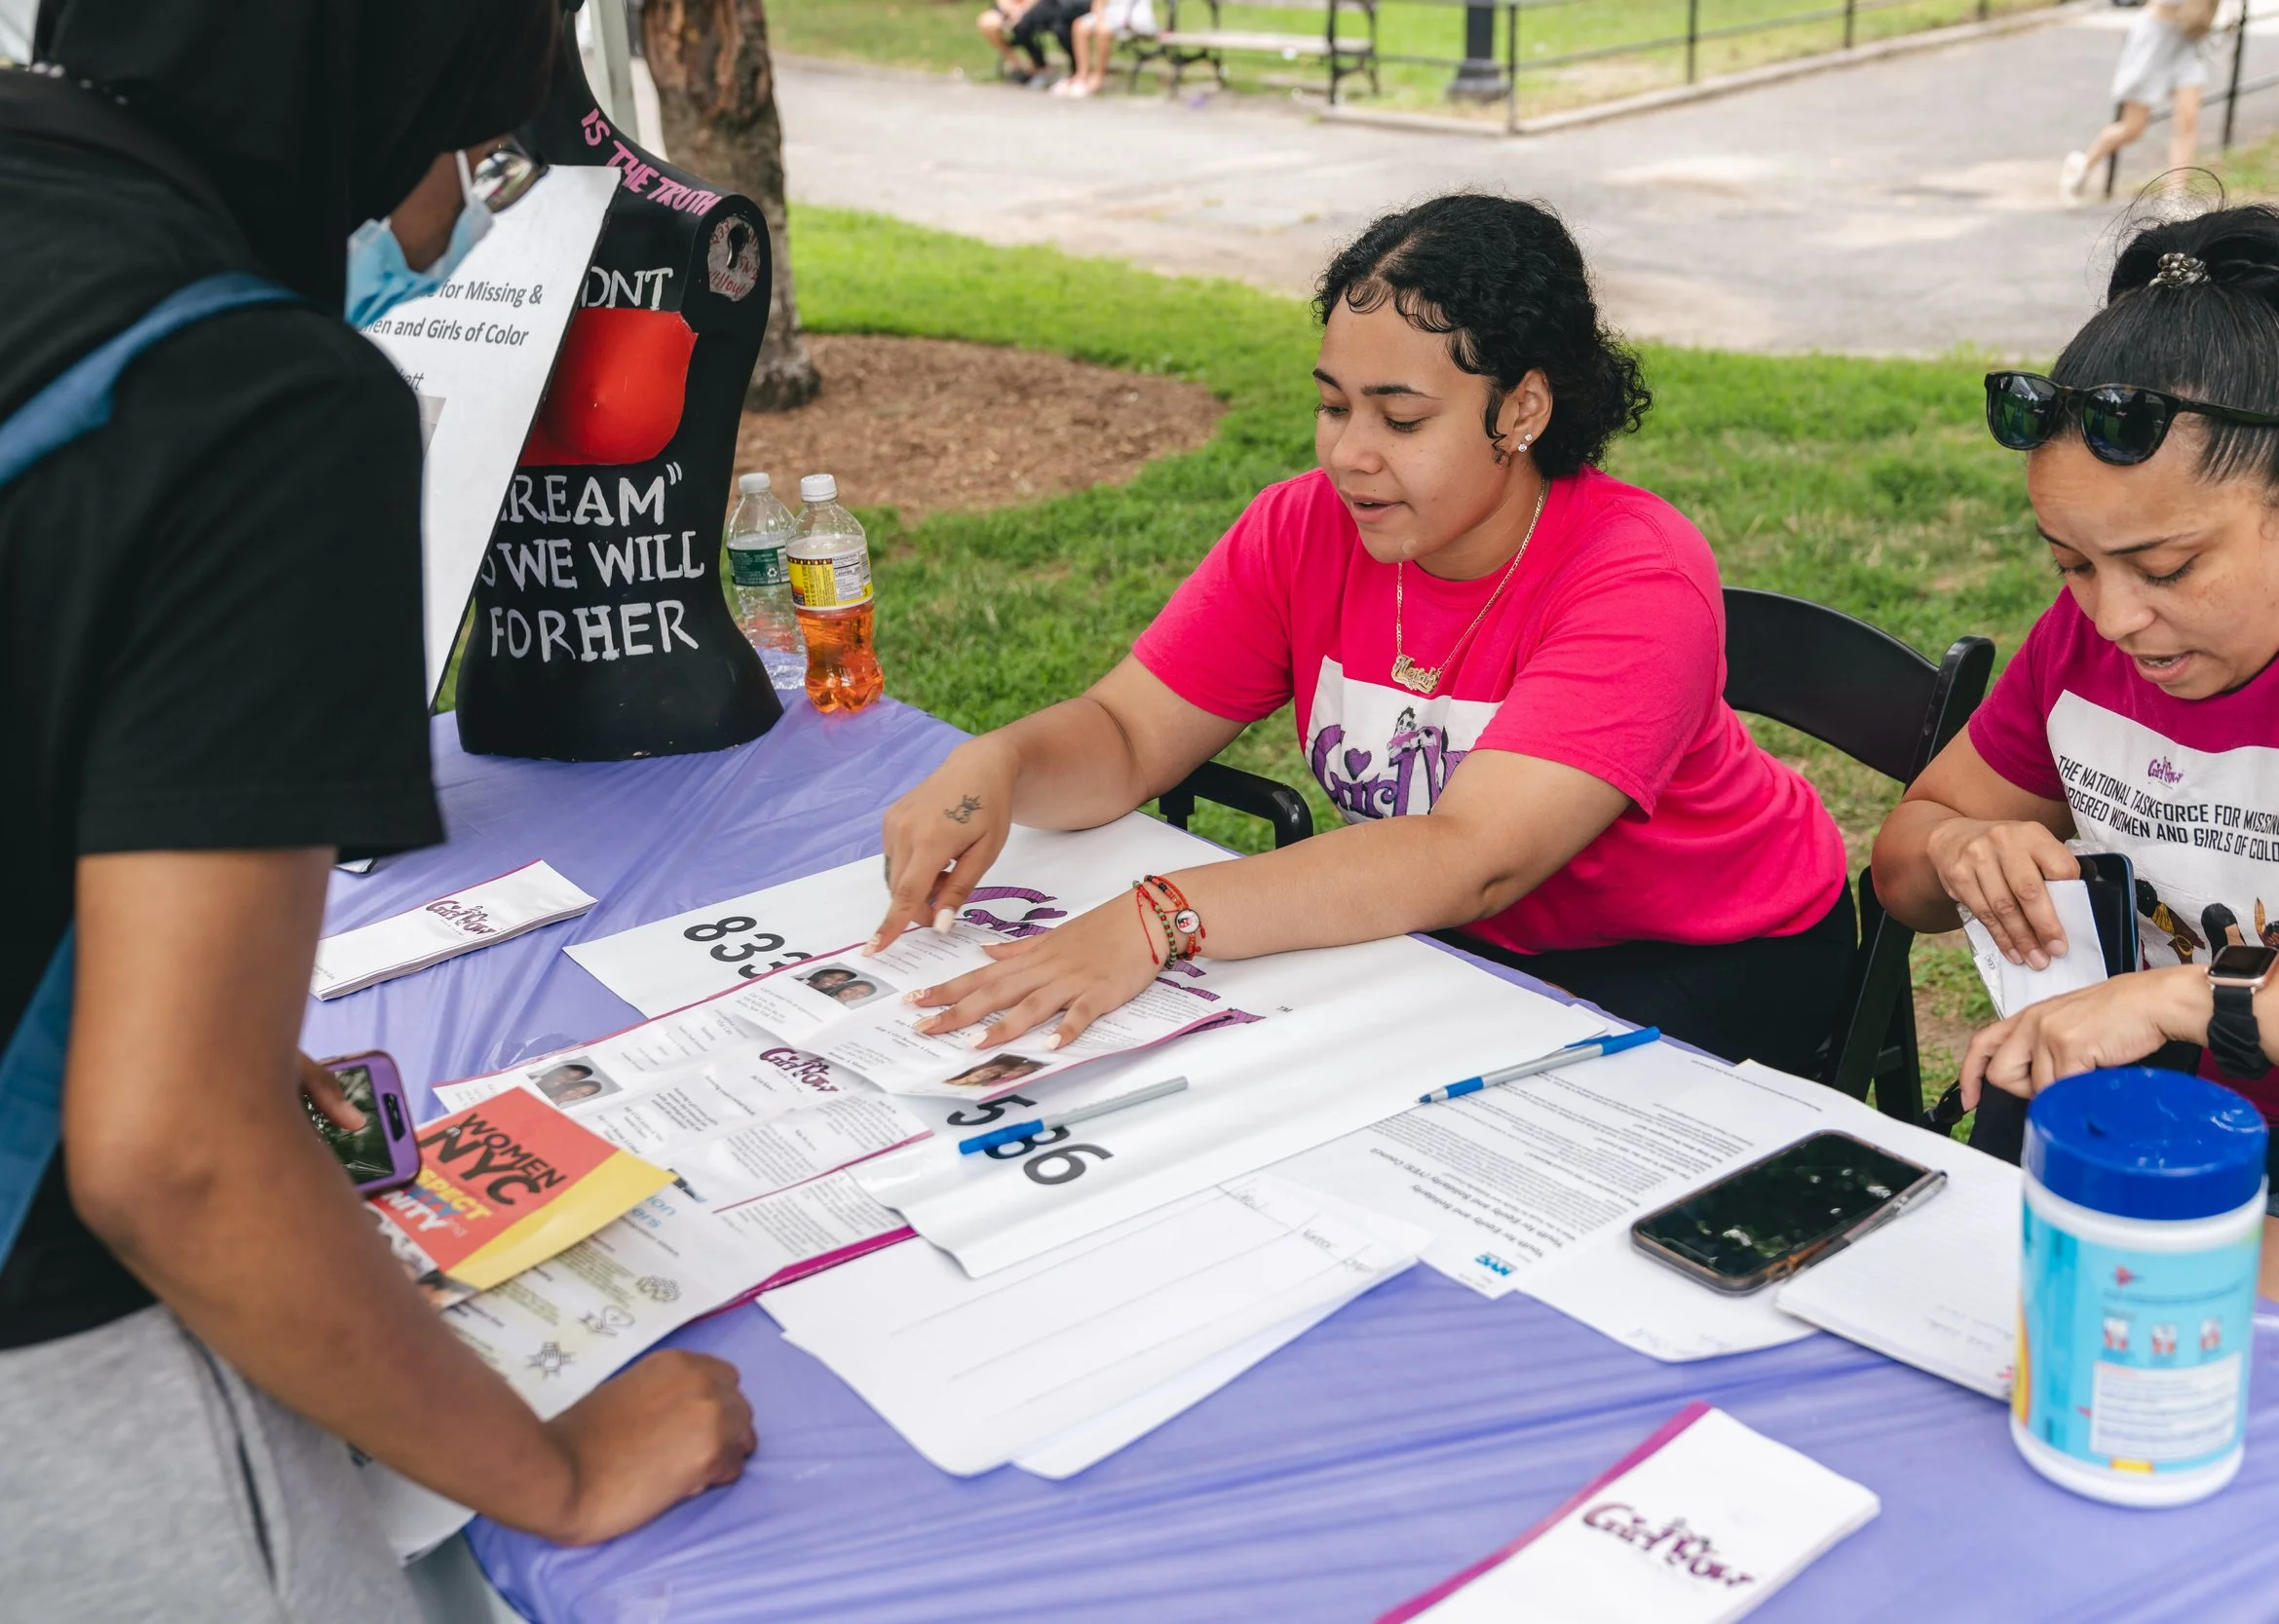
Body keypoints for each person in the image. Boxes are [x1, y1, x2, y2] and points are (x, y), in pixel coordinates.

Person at [0, 4, 753, 1615]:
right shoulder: (249, 393)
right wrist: (556, 1466)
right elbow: (174, 1160)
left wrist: (187, 1010)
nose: (452, 203)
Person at [870, 194, 1852, 1076]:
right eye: (1332, 405)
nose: (1350, 454)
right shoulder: (1302, 528)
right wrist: (997, 764)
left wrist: (1163, 913)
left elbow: (1474, 855)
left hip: (1702, 948)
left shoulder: (1635, 573)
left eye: (1402, 417)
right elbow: (1128, 736)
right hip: (1458, 939)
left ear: (1521, 408)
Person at [1871, 203, 2279, 1372]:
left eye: (2169, 567)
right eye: (2071, 564)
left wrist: (2192, 999)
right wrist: (1959, 849)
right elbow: (1903, 861)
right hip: (2155, 1117)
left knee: (2165, 1375)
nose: (2117, 619)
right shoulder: (2083, 646)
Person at [2060, 0, 2218, 205]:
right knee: (2132, 128)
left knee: (2188, 118)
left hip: (2188, 35)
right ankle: (2082, 165)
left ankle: (2175, 195)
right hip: (2155, 36)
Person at [1058, 0, 1159, 97]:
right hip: (1112, 13)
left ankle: (1098, 77)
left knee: (1103, 30)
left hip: (1134, 14)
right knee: (1079, 25)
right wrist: (1099, 19)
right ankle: (1081, 75)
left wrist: (1100, 22)